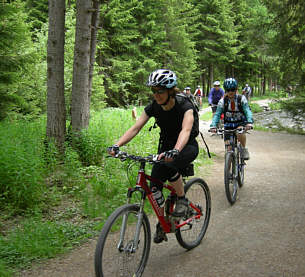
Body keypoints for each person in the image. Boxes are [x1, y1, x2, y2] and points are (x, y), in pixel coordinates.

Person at [108, 69, 199, 243]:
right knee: (154, 187)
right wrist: (117, 145)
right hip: (165, 148)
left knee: (170, 165)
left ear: (171, 91)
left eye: (160, 91)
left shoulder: (184, 105)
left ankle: (182, 200)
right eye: (154, 91)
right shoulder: (153, 107)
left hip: (186, 146)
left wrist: (176, 150)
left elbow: (186, 130)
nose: (156, 95)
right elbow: (136, 128)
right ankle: (163, 221)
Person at [209, 78, 253, 160]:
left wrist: (249, 122)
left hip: (240, 123)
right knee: (228, 149)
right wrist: (213, 126)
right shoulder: (222, 101)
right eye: (228, 90)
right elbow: (217, 114)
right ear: (225, 90)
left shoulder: (241, 99)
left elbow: (247, 111)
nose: (230, 92)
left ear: (236, 89)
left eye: (232, 90)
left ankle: (243, 149)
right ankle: (228, 171)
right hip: (228, 124)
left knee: (240, 132)